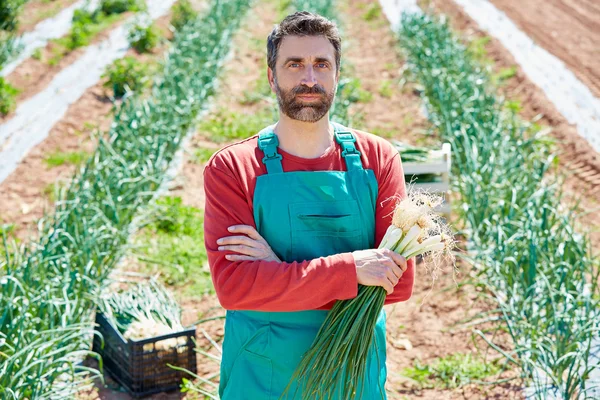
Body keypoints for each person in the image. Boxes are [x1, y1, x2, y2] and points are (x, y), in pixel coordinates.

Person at [203, 10, 414, 400]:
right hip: (263, 375)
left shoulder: (378, 159)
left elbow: (398, 283)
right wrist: (354, 270)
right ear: (271, 76)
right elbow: (234, 287)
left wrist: (275, 272)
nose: (309, 78)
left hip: (353, 370)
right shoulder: (233, 167)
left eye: (321, 64)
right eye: (294, 64)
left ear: (337, 74)